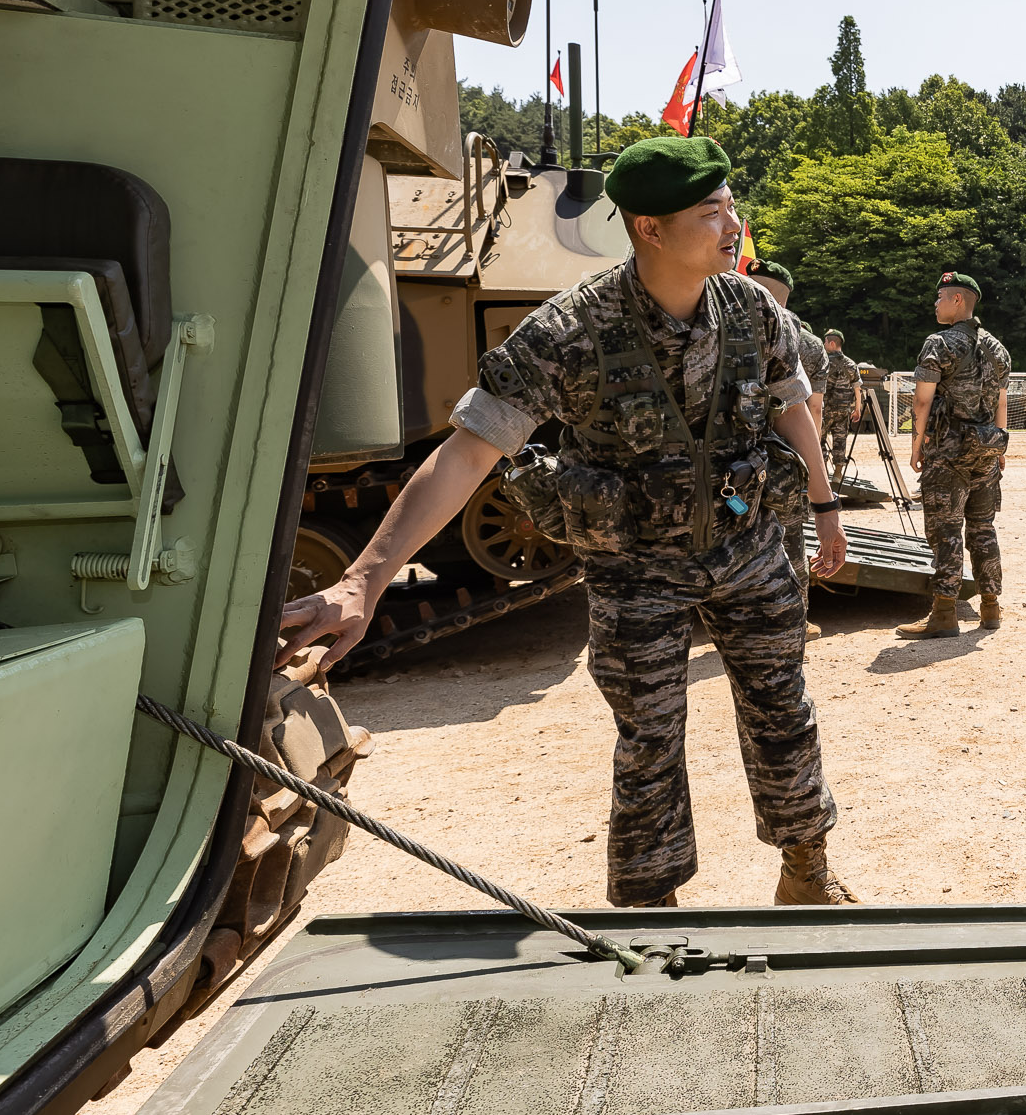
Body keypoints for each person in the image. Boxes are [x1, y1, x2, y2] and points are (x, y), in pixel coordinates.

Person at [274, 137, 852, 906]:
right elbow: (465, 454)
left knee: (785, 709)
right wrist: (363, 577)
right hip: (635, 568)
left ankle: (805, 869)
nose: (732, 224)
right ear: (649, 227)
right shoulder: (570, 330)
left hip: (747, 550)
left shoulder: (751, 309)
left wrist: (824, 506)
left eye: (730, 206)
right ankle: (652, 902)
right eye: (711, 211)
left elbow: (791, 407)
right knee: (649, 736)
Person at [897, 270, 1012, 638]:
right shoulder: (998, 348)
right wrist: (1000, 448)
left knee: (945, 532)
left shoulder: (939, 343)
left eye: (940, 297)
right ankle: (990, 608)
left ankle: (944, 614)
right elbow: (1001, 402)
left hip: (947, 454)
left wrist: (916, 446)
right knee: (983, 530)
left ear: (957, 300)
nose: (935, 303)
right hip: (986, 451)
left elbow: (921, 400)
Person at [748, 260, 831, 581]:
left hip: (734, 463)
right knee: (792, 539)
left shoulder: (722, 322)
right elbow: (814, 409)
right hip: (787, 461)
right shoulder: (810, 343)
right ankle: (800, 618)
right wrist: (812, 464)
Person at [818, 327, 864, 488]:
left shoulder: (823, 362)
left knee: (820, 441)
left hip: (824, 410)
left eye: (825, 341)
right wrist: (857, 409)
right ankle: (838, 474)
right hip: (843, 411)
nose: (823, 344)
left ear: (831, 343)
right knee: (840, 441)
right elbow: (858, 389)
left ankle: (822, 472)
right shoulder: (851, 364)